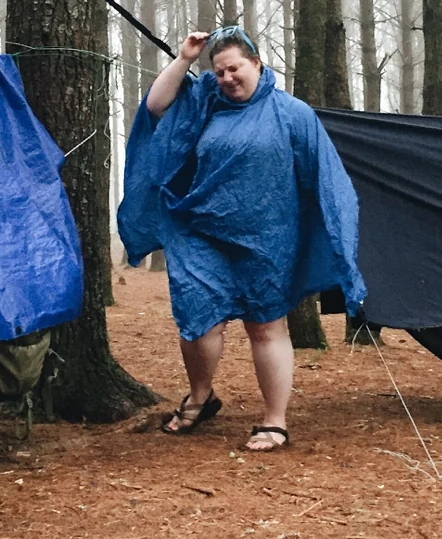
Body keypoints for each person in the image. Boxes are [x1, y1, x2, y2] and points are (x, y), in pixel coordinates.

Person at [118, 25, 366, 451]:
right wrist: (185, 58)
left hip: (267, 238)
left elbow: (325, 177)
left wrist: (331, 230)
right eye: (219, 72)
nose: (227, 78)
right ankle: (201, 396)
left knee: (265, 325)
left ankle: (274, 421)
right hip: (202, 233)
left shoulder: (292, 113)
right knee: (197, 321)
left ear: (256, 63)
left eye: (235, 68)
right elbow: (156, 107)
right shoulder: (204, 104)